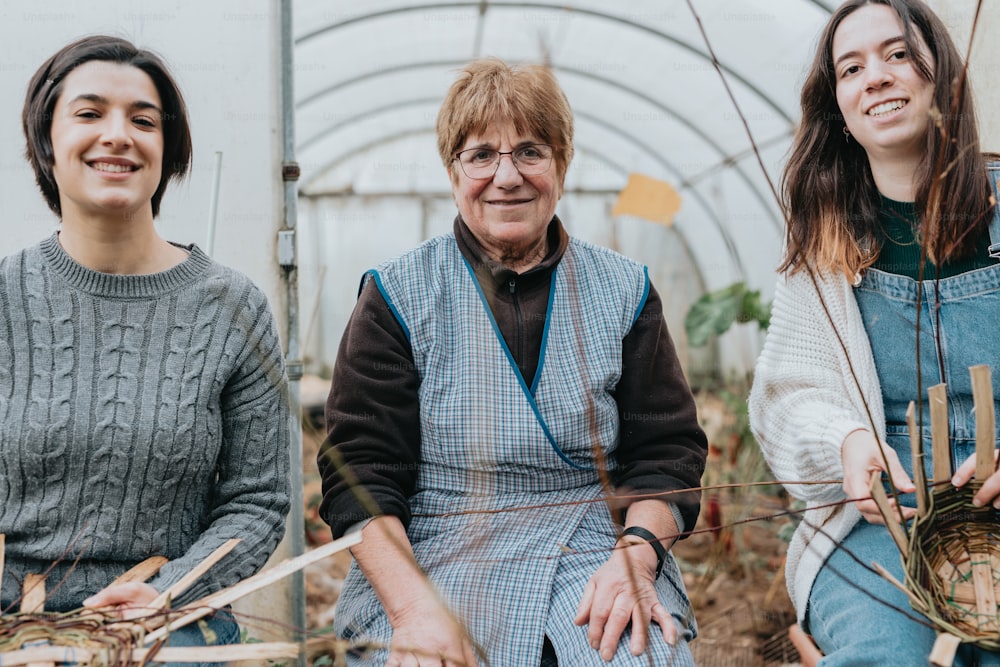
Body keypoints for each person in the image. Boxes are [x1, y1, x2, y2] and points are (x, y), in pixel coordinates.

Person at [317, 58, 707, 666]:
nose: (507, 177)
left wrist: (635, 557)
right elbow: (361, 476)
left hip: (593, 547)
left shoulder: (623, 289)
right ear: (452, 172)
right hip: (436, 549)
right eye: (481, 156)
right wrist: (414, 610)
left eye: (531, 151)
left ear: (561, 166)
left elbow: (667, 453)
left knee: (634, 652)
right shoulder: (396, 294)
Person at [1, 35, 291, 664]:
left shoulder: (230, 307)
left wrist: (168, 592)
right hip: (13, 626)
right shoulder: (4, 298)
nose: (118, 135)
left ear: (168, 149)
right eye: (89, 113)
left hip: (170, 623)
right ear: (46, 142)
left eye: (143, 120)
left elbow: (259, 499)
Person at [749, 0, 1000, 664]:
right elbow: (784, 399)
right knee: (887, 654)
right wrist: (848, 440)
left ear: (941, 74)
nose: (877, 77)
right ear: (839, 106)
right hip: (884, 520)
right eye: (851, 68)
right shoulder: (823, 244)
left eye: (897, 54)